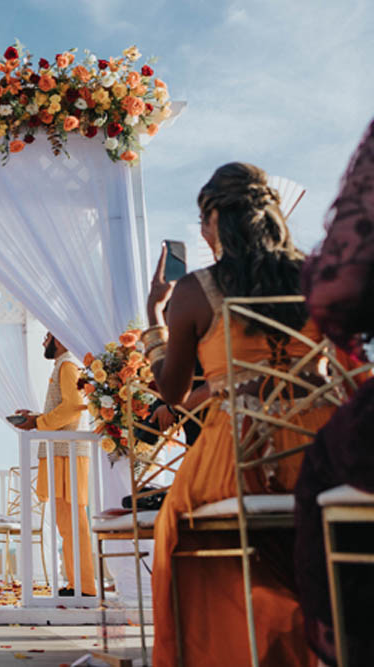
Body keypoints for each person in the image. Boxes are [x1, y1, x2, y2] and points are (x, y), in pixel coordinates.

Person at [145, 162, 335, 666]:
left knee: (178, 527)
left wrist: (153, 323)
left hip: (237, 457)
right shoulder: (318, 278)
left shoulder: (194, 291)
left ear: (214, 221)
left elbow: (172, 390)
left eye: (203, 222)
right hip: (321, 454)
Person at [294, 117, 374, 663]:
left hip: (245, 445)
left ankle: (347, 642)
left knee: (325, 464)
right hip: (302, 417)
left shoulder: (189, 296)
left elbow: (339, 295)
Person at [13, 332, 96, 596]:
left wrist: (38, 423)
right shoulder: (64, 365)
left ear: (58, 340)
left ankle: (85, 586)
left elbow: (74, 405)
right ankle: (78, 584)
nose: (43, 342)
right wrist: (36, 418)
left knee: (73, 520)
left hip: (68, 451)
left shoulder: (68, 364)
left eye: (46, 337)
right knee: (66, 521)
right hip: (63, 450)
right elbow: (67, 406)